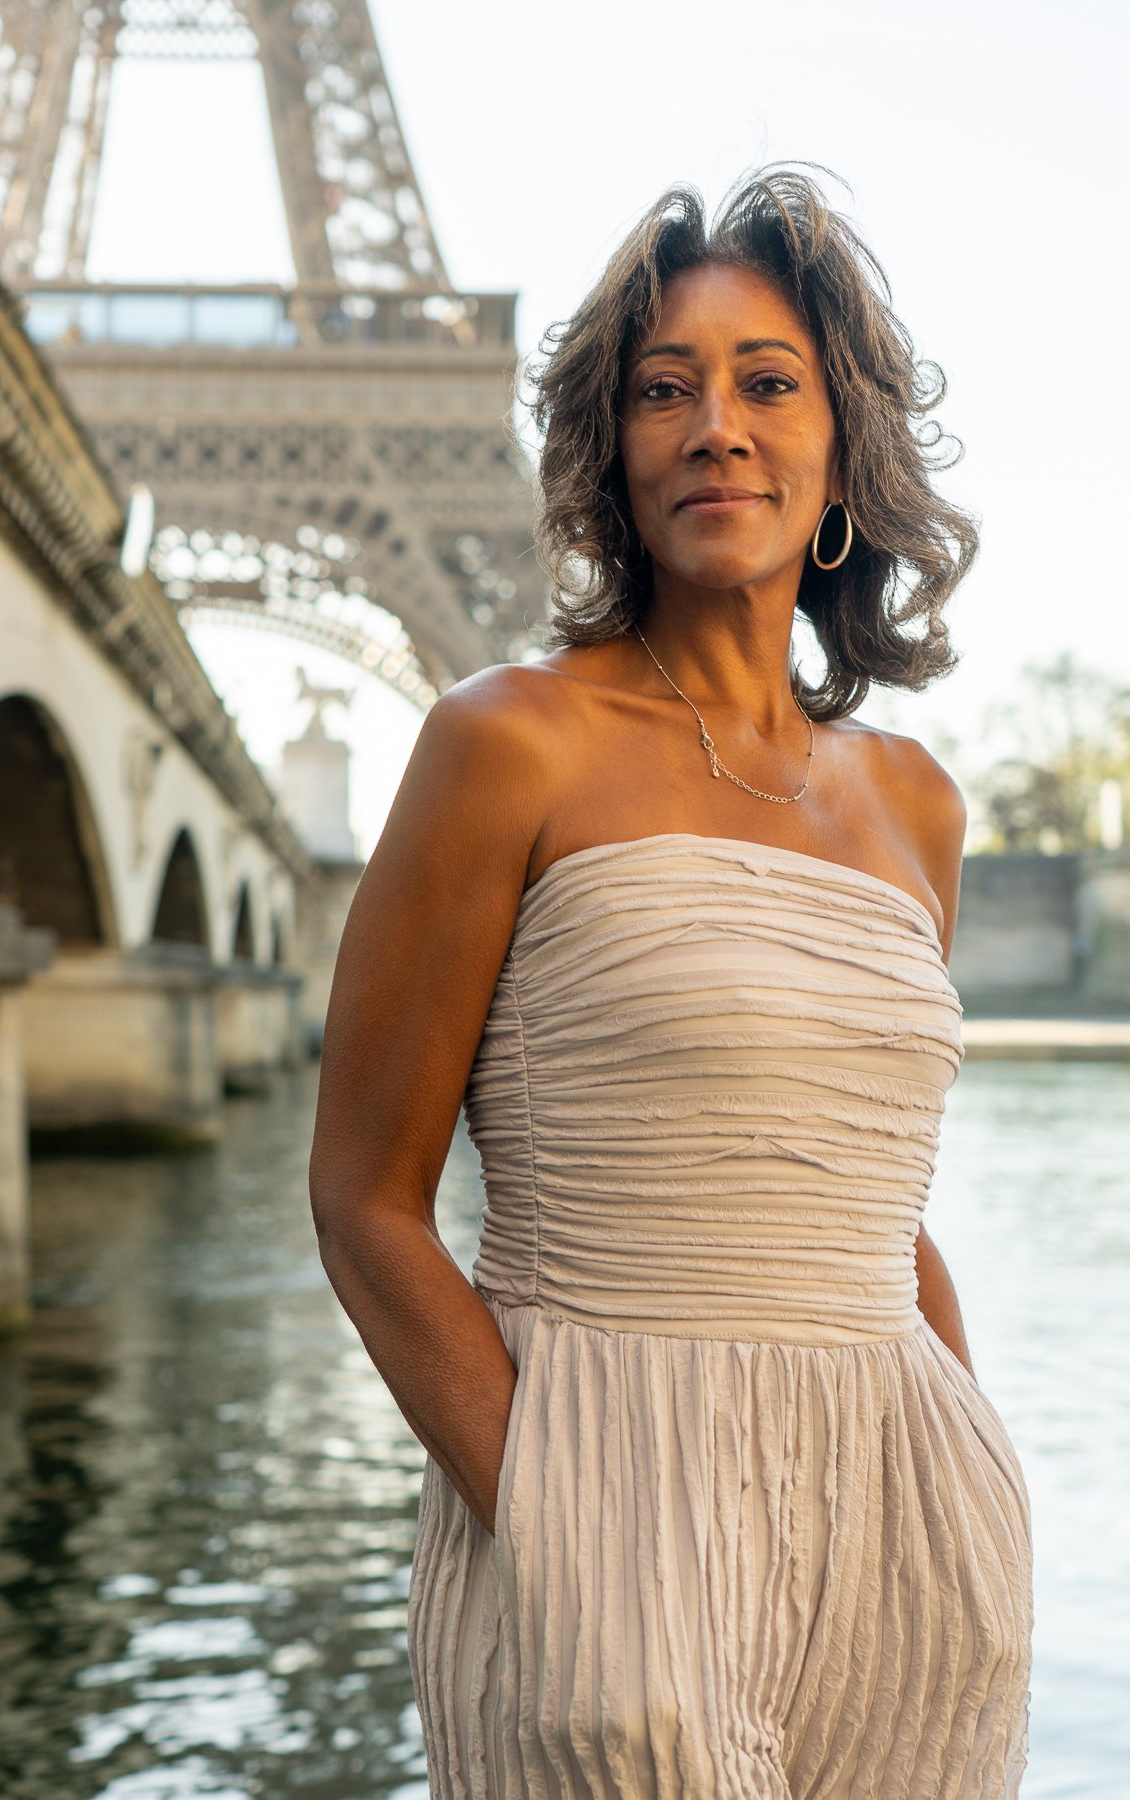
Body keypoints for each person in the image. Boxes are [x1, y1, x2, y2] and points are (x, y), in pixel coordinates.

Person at [308, 162, 1034, 1798]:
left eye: (769, 383)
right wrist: (565, 1535)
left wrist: (968, 1462)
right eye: (665, 389)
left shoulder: (917, 800)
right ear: (611, 456)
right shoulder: (505, 742)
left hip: (910, 1555)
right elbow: (365, 1197)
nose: (719, 424)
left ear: (841, 450)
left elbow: (865, 1191)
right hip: (597, 1517)